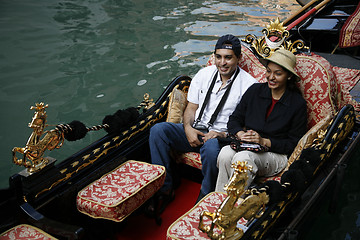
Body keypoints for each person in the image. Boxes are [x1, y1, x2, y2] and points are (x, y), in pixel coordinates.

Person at [148, 34, 258, 212]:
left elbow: (246, 126)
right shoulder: (204, 74)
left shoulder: (250, 86)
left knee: (211, 147)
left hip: (222, 137)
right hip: (195, 129)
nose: (222, 62)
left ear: (238, 58)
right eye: (218, 56)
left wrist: (220, 134)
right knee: (158, 131)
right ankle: (165, 188)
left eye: (228, 58)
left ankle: (205, 196)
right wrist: (188, 128)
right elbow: (191, 107)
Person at [215, 48, 307, 192]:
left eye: (278, 73)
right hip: (247, 147)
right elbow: (234, 119)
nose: (271, 77)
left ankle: (235, 206)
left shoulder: (297, 104)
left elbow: (294, 144)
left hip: (276, 155)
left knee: (243, 159)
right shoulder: (255, 91)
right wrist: (240, 134)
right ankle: (221, 197)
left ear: (289, 76)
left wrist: (264, 142)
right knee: (225, 153)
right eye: (268, 71)